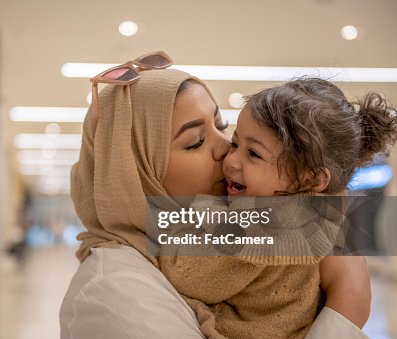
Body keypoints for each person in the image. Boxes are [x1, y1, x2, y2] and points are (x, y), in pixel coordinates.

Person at [59, 52, 371, 338]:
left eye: (220, 125)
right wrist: (347, 303)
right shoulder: (115, 292)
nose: (225, 150)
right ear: (130, 169)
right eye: (195, 140)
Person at [159, 78, 397, 338]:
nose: (230, 160)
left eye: (254, 154)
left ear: (311, 179)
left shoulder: (270, 220)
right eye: (236, 143)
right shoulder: (325, 212)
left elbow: (192, 278)